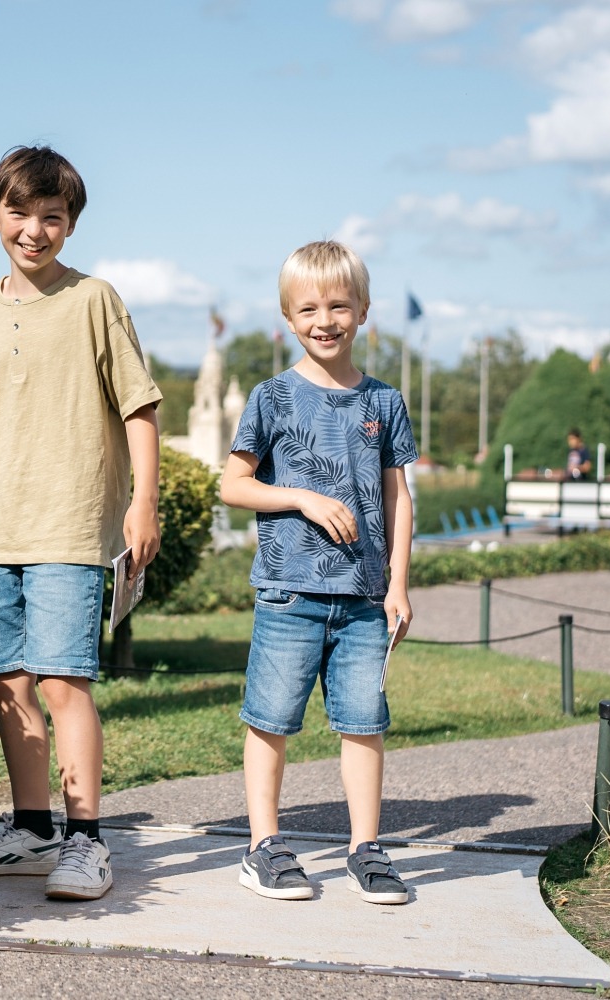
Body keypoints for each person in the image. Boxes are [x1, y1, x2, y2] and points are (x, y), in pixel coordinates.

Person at [0, 146, 162, 901]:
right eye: (20, 214)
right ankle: (32, 829)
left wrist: (145, 500)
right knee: (7, 684)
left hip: (72, 525)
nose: (35, 230)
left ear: (71, 224)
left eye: (52, 217)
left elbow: (138, 404)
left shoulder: (95, 300)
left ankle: (87, 843)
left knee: (63, 681)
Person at [219, 240, 417, 906]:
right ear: (287, 317)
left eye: (339, 305)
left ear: (363, 311)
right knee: (270, 720)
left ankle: (367, 848)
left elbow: (398, 498)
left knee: (364, 723)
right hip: (288, 594)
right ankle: (265, 847)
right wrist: (301, 497)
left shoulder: (384, 402)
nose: (325, 319)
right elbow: (234, 485)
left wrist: (397, 584)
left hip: (363, 600)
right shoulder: (271, 398)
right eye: (309, 308)